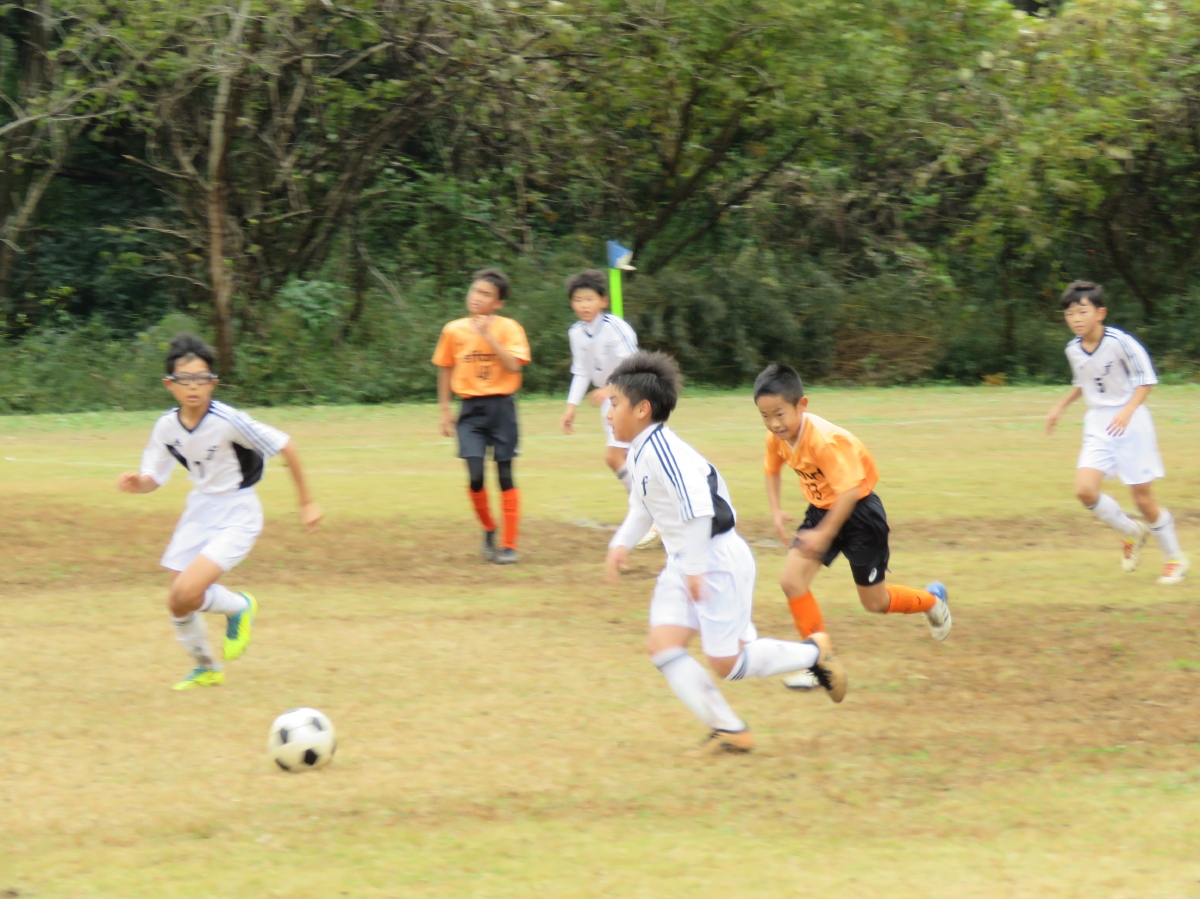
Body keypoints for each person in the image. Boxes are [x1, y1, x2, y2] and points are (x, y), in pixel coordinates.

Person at [605, 351, 847, 756]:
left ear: (642, 409)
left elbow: (699, 508)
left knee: (728, 664)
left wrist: (695, 569)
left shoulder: (662, 450)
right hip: (685, 561)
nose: (609, 413)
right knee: (662, 646)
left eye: (614, 404)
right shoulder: (641, 451)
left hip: (714, 558)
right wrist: (620, 544)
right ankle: (730, 730)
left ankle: (814, 653)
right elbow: (643, 508)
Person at [117, 333, 322, 691]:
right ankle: (206, 668)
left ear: (213, 382)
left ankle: (239, 607)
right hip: (199, 509)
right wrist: (139, 484)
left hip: (238, 512)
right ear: (169, 384)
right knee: (178, 601)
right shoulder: (166, 426)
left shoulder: (229, 420)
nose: (193, 386)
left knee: (187, 590)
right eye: (184, 379)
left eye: (201, 378)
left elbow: (286, 445)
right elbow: (154, 478)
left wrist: (306, 502)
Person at [753, 362, 951, 689]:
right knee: (791, 581)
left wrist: (825, 534)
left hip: (860, 514)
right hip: (822, 512)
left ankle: (932, 601)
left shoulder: (825, 441)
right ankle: (820, 663)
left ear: (802, 405)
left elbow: (848, 493)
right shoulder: (776, 438)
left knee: (875, 603)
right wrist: (775, 511)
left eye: (779, 414)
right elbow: (771, 469)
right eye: (764, 416)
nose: (773, 423)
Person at [1046, 280, 1187, 583]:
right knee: (1084, 490)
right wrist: (1060, 406)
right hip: (1098, 424)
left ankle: (1174, 559)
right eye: (1069, 313)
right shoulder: (1073, 349)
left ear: (1101, 313)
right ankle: (1131, 531)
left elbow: (1146, 380)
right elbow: (1083, 383)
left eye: (1082, 311)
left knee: (1143, 500)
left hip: (1132, 423)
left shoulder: (1120, 342)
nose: (1075, 319)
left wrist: (1127, 411)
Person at [432, 267, 531, 564]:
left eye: (486, 294)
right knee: (475, 476)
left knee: (505, 475)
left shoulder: (509, 328)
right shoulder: (453, 330)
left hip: (502, 408)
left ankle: (509, 545)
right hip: (470, 411)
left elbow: (514, 366)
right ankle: (489, 527)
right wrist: (445, 409)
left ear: (498, 303)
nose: (477, 297)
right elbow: (445, 368)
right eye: (475, 290)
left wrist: (488, 335)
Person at [558, 269, 656, 547]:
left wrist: (611, 388)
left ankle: (650, 514)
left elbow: (634, 366)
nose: (583, 305)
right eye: (578, 300)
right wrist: (570, 407)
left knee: (621, 457)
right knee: (623, 458)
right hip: (611, 403)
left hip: (633, 397)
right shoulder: (576, 333)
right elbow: (581, 371)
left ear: (603, 301)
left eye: (589, 299)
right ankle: (651, 513)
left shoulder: (617, 327)